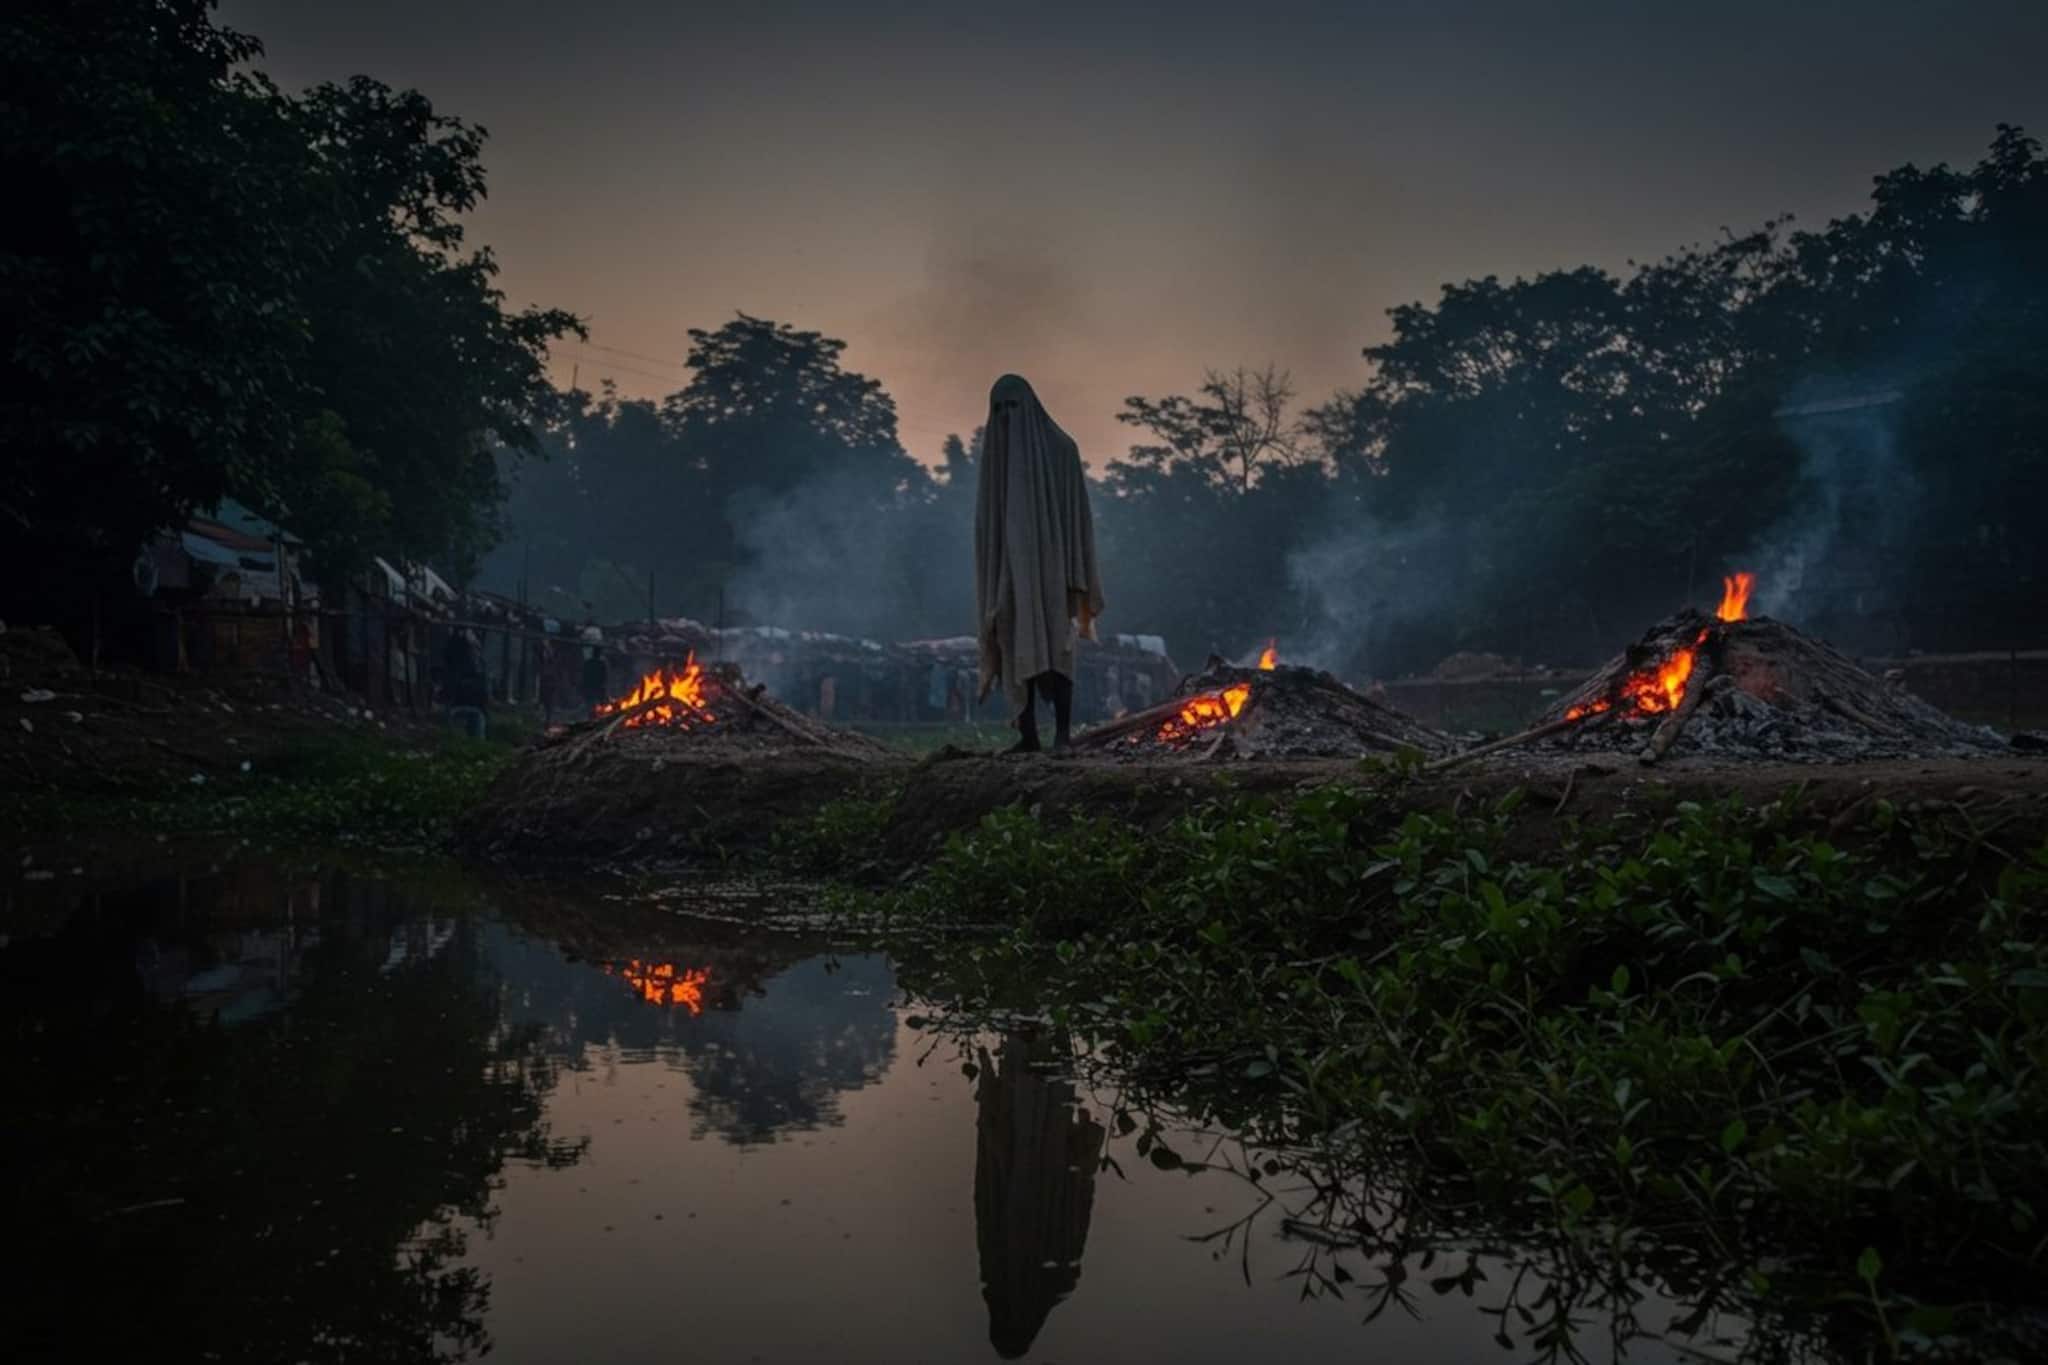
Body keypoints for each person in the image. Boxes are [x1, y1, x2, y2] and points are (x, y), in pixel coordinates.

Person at [975, 374, 1106, 752]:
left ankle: (1063, 735)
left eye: (1012, 408)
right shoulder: (995, 457)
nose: (1006, 418)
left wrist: (1073, 571)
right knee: (1013, 647)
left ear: (1030, 407)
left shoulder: (1061, 449)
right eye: (998, 410)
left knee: (1057, 652)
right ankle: (1028, 735)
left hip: (1052, 572)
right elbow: (987, 524)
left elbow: (1077, 517)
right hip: (1009, 576)